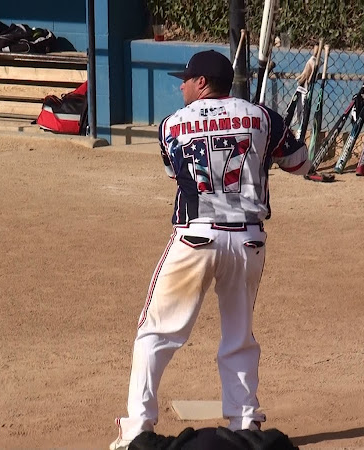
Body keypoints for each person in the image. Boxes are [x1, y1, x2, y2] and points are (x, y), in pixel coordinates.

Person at [110, 49, 310, 450]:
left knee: (156, 332)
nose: (181, 86)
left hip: (195, 237)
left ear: (202, 83)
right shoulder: (263, 117)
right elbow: (299, 162)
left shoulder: (171, 125)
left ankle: (136, 430)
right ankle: (245, 423)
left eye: (186, 79)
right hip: (248, 241)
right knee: (239, 335)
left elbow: (176, 174)